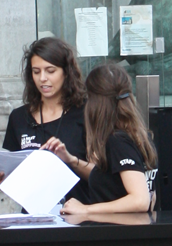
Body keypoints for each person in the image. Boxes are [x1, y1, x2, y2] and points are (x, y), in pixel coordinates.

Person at [62, 62, 157, 218]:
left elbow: (140, 200)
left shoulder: (117, 141)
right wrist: (72, 161)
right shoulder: (140, 137)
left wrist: (86, 209)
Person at [2, 37, 93, 198]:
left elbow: (103, 177)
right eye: (36, 71)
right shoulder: (19, 117)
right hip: (34, 216)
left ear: (66, 72)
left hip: (79, 213)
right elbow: (14, 172)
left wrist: (71, 160)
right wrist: (7, 181)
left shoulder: (87, 113)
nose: (42, 78)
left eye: (50, 71)